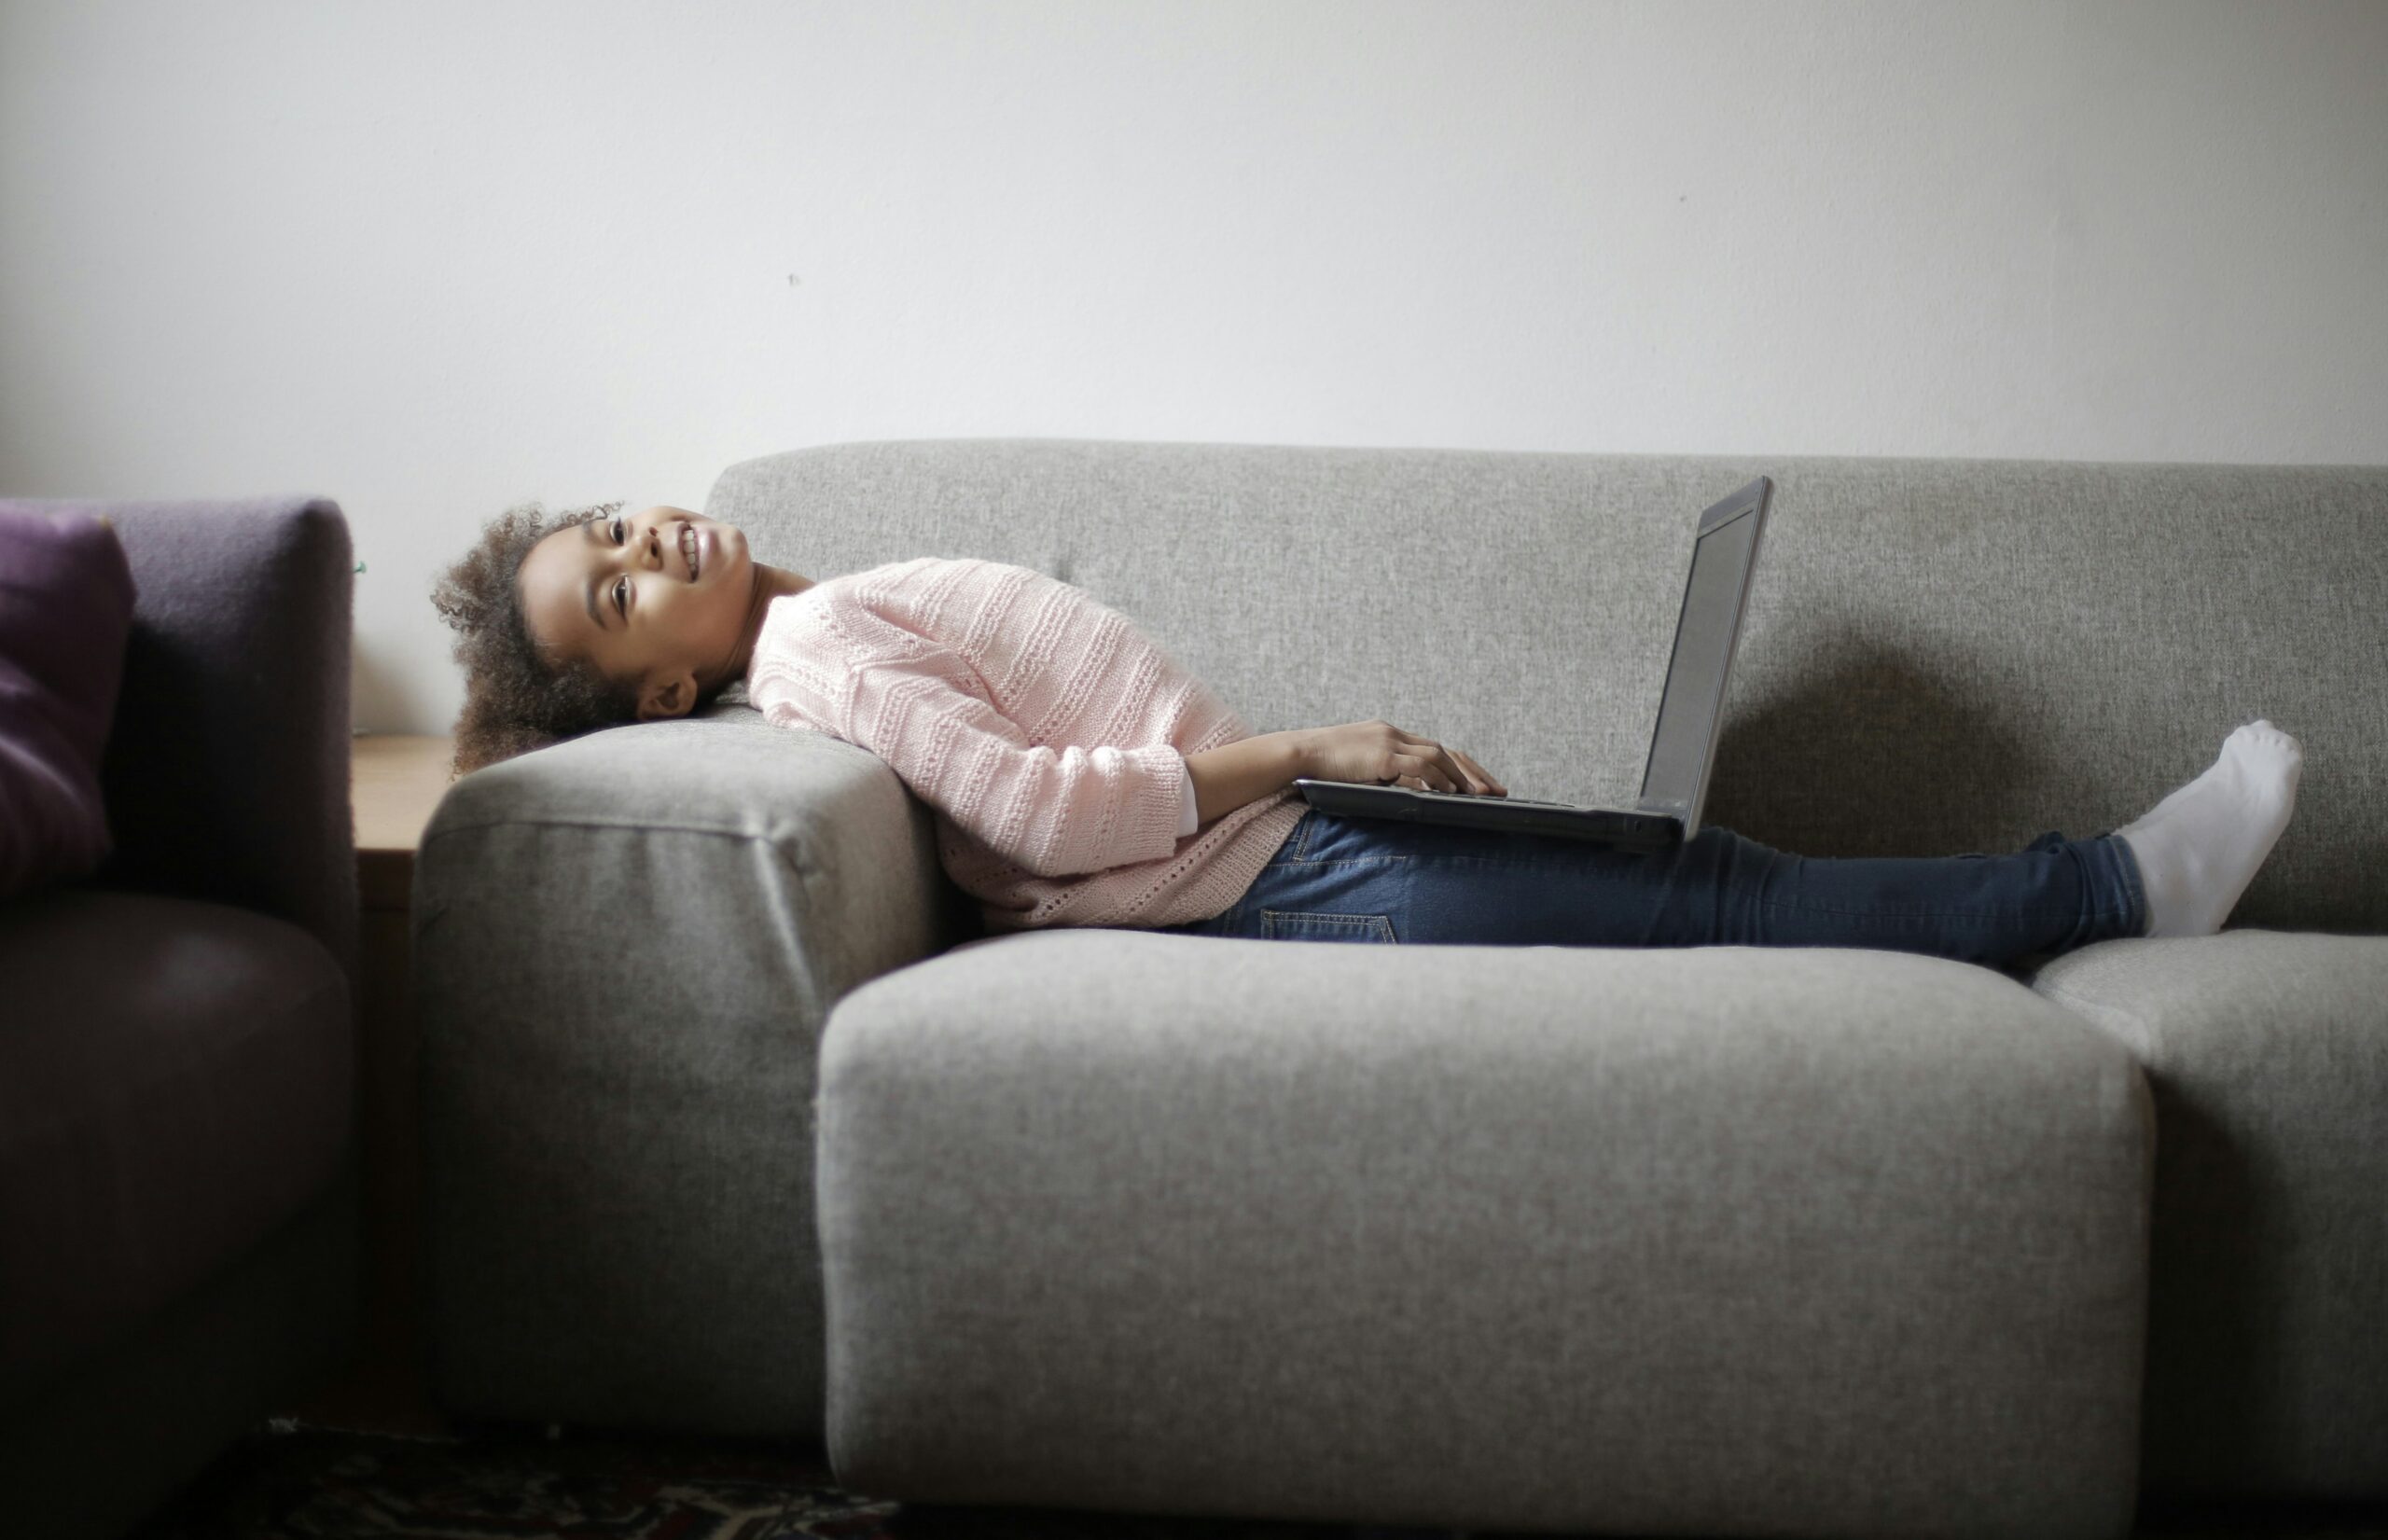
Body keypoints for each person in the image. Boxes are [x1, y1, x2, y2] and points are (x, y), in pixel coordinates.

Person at [434, 499, 2304, 967]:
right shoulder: (815, 652)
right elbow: (1033, 813)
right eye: (613, 595)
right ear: (662, 689)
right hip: (1285, 867)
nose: (645, 544)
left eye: (615, 525)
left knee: (1709, 879)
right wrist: (1313, 750)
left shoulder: (811, 621)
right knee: (1720, 899)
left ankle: (2095, 887)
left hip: (1285, 852)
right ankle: (2103, 890)